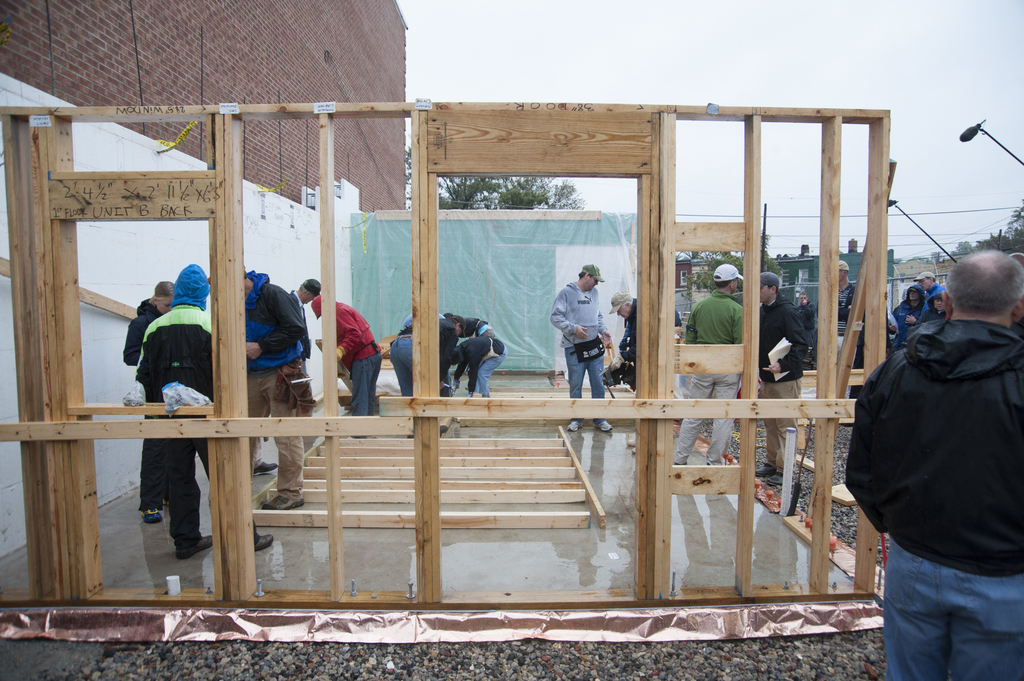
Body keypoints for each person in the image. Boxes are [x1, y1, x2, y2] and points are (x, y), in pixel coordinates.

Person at [846, 251, 1024, 679]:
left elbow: (862, 466)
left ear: (946, 301)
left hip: (915, 560)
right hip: (1003, 572)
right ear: (1018, 305)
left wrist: (893, 522)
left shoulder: (897, 369)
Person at [137, 265, 273, 559]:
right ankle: (245, 538)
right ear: (203, 293)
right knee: (226, 478)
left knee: (180, 478)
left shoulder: (154, 326)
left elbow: (144, 375)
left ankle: (185, 541)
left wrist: (156, 414)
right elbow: (229, 375)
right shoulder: (210, 324)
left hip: (171, 419)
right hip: (210, 417)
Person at [244, 270, 307, 511]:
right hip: (250, 373)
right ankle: (240, 486)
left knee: (286, 434)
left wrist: (262, 346)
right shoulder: (230, 298)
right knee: (244, 432)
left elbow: (295, 328)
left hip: (279, 372)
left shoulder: (272, 295)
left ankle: (291, 492)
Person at [673, 264, 744, 465]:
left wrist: (696, 364)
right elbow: (740, 344)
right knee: (723, 417)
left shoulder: (700, 307)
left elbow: (691, 339)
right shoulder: (737, 310)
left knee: (694, 414)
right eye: (736, 281)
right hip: (728, 369)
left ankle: (680, 459)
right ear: (731, 283)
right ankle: (713, 460)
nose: (737, 283)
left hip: (703, 368)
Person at [124, 281, 174, 524]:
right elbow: (130, 355)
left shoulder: (171, 320)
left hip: (172, 391)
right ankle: (150, 504)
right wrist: (156, 359)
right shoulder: (141, 323)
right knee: (155, 446)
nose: (169, 309)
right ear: (155, 300)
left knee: (174, 444)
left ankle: (166, 494)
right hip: (152, 391)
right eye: (166, 305)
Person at [756, 272, 808, 486]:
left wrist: (783, 364)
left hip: (785, 380)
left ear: (772, 289)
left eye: (760, 287)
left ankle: (784, 467)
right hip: (768, 378)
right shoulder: (763, 312)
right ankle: (772, 462)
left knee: (786, 424)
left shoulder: (787, 312)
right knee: (770, 422)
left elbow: (801, 344)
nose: (757, 292)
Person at [550, 264, 613, 433]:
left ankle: (599, 419)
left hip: (594, 347)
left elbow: (597, 315)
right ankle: (576, 419)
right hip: (574, 347)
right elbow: (555, 317)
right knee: (576, 384)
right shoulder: (566, 293)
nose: (596, 284)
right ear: (586, 276)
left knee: (598, 383)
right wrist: (573, 328)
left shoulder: (595, 293)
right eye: (595, 280)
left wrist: (603, 330)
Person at [311, 296, 382, 416]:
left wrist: (341, 350)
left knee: (360, 398)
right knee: (367, 396)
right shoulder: (342, 309)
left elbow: (354, 334)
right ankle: (367, 430)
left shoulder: (339, 312)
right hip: (371, 356)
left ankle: (359, 433)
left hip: (364, 358)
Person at [388, 314, 460, 397]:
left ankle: (410, 409)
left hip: (396, 345)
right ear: (457, 325)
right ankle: (444, 405)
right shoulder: (450, 329)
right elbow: (445, 358)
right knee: (428, 386)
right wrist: (440, 380)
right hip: (412, 344)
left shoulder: (431, 321)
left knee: (407, 391)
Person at [291, 278, 320, 368]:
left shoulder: (299, 306)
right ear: (308, 294)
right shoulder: (290, 303)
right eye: (312, 297)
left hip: (299, 355)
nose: (311, 301)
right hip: (293, 357)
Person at [890, 284, 925, 351]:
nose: (912, 294)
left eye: (914, 292)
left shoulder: (924, 309)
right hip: (898, 346)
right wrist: (891, 329)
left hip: (914, 348)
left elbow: (926, 327)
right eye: (910, 292)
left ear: (920, 294)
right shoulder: (899, 309)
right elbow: (890, 327)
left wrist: (915, 322)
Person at [796, 292, 817, 366]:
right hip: (801, 329)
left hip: (808, 329)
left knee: (809, 345)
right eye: (801, 298)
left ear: (807, 298)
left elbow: (810, 314)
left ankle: (809, 361)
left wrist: (805, 307)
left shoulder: (811, 306)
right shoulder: (799, 308)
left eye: (804, 298)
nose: (803, 300)